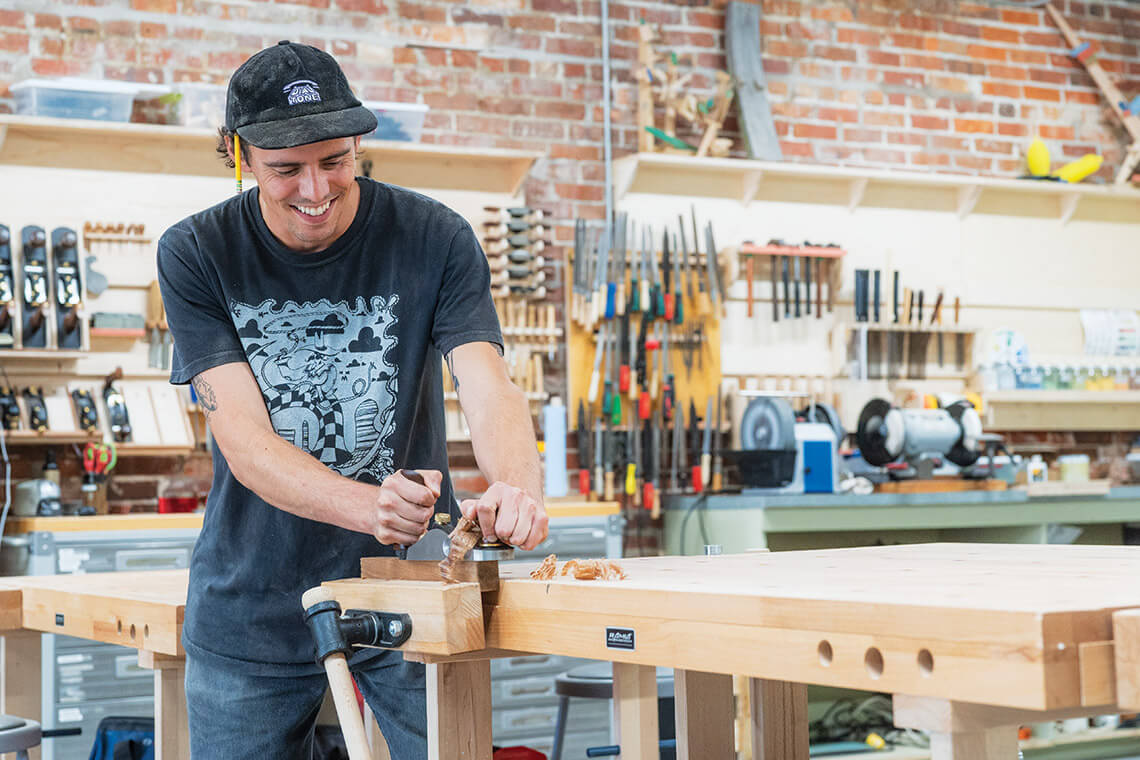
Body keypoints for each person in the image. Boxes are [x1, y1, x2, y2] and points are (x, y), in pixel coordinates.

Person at [157, 40, 548, 759]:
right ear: (239, 155)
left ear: (358, 146)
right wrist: (370, 508)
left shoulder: (435, 237)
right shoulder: (197, 252)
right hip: (251, 604)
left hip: (410, 590)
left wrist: (516, 489)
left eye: (335, 160)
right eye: (286, 169)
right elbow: (246, 441)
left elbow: (487, 381)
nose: (316, 189)